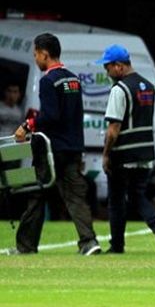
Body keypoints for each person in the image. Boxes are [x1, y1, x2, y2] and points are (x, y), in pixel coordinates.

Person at [12, 33, 101, 255]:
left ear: (45, 53)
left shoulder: (48, 80)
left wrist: (28, 125)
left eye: (35, 54)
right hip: (72, 147)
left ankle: (26, 246)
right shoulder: (73, 79)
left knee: (36, 194)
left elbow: (51, 116)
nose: (35, 59)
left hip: (52, 149)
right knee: (75, 196)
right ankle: (89, 241)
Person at [97, 44, 155, 254]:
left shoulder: (119, 90)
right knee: (138, 195)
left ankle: (117, 246)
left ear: (119, 66)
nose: (107, 73)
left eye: (108, 68)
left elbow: (113, 129)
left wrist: (106, 155)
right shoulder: (148, 86)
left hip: (124, 153)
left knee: (116, 199)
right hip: (145, 152)